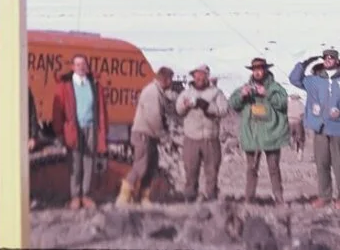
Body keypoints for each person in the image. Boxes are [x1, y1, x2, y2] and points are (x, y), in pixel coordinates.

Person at [289, 48, 340, 209]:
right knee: (321, 162)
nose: (328, 60)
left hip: (338, 127)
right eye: (325, 58)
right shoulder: (313, 80)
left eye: (332, 57)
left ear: (337, 60)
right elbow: (294, 79)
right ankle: (324, 195)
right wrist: (305, 62)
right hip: (320, 127)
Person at [229, 57, 289, 205]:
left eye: (260, 69)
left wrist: (267, 94)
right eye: (255, 70)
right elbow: (233, 104)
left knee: (274, 169)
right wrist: (242, 95)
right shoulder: (245, 87)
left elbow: (283, 104)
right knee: (251, 169)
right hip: (252, 135)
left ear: (265, 70)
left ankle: (279, 198)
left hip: (272, 134)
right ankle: (249, 199)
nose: (257, 72)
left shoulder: (276, 88)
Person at [52, 54, 109, 209]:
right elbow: (58, 111)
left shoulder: (94, 85)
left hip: (91, 127)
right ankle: (75, 195)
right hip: (73, 128)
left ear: (87, 67)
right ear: (72, 67)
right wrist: (59, 131)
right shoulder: (65, 86)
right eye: (77, 64)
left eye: (83, 64)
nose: (81, 67)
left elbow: (101, 110)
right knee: (75, 162)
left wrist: (103, 130)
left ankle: (86, 194)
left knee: (89, 161)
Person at [116, 66, 175, 207]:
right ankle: (123, 197)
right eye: (170, 80)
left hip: (151, 135)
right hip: (144, 133)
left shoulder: (159, 92)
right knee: (140, 166)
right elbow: (153, 117)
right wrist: (164, 135)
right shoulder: (152, 92)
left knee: (151, 166)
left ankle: (144, 197)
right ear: (165, 79)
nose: (171, 83)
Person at [174, 63, 229, 202]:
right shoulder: (186, 93)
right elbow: (178, 110)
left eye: (202, 75)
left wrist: (207, 106)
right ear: (193, 76)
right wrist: (184, 105)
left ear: (207, 77)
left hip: (211, 138)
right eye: (196, 75)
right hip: (191, 138)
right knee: (191, 170)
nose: (199, 78)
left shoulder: (216, 92)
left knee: (212, 172)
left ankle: (211, 198)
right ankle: (190, 198)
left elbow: (224, 111)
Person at [287, 94, 306, 160]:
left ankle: (291, 139)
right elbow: (303, 114)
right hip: (298, 121)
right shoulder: (300, 104)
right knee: (301, 139)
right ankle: (299, 152)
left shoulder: (288, 103)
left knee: (291, 134)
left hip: (289, 121)